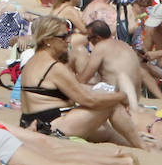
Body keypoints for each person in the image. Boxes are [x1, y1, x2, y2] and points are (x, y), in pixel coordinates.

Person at [17, 16, 147, 147]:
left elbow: (76, 89)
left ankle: (140, 145)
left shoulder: (34, 62)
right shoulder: (54, 67)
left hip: (30, 122)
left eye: (69, 34)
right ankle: (143, 147)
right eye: (63, 36)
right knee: (111, 105)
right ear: (47, 40)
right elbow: (88, 100)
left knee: (107, 132)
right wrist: (121, 96)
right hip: (47, 127)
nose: (68, 40)